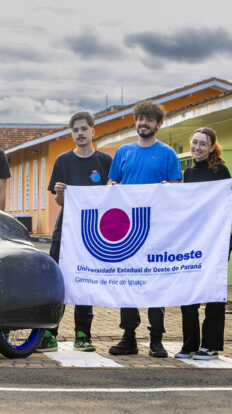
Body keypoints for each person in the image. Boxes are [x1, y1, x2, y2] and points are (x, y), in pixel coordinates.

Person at [107, 100, 182, 358]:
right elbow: (112, 183)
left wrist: (168, 189)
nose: (143, 123)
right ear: (135, 121)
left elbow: (176, 191)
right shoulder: (123, 152)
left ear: (158, 124)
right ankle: (129, 337)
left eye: (149, 120)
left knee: (154, 285)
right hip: (127, 231)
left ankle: (156, 340)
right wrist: (111, 188)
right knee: (127, 284)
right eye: (140, 119)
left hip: (157, 231)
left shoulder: (168, 154)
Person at [36, 111, 112, 353]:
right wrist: (59, 192)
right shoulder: (62, 161)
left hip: (92, 230)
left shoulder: (104, 162)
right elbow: (59, 202)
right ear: (72, 134)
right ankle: (50, 333)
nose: (79, 134)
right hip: (65, 228)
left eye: (83, 129)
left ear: (93, 130)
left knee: (86, 279)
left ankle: (83, 335)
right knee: (58, 280)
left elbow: (111, 198)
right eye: (75, 130)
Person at [175, 127, 231, 361]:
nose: (197, 147)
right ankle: (189, 345)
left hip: (216, 240)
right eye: (194, 143)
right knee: (188, 295)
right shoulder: (187, 174)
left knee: (214, 294)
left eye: (202, 144)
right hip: (193, 241)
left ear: (211, 148)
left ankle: (210, 346)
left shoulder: (221, 171)